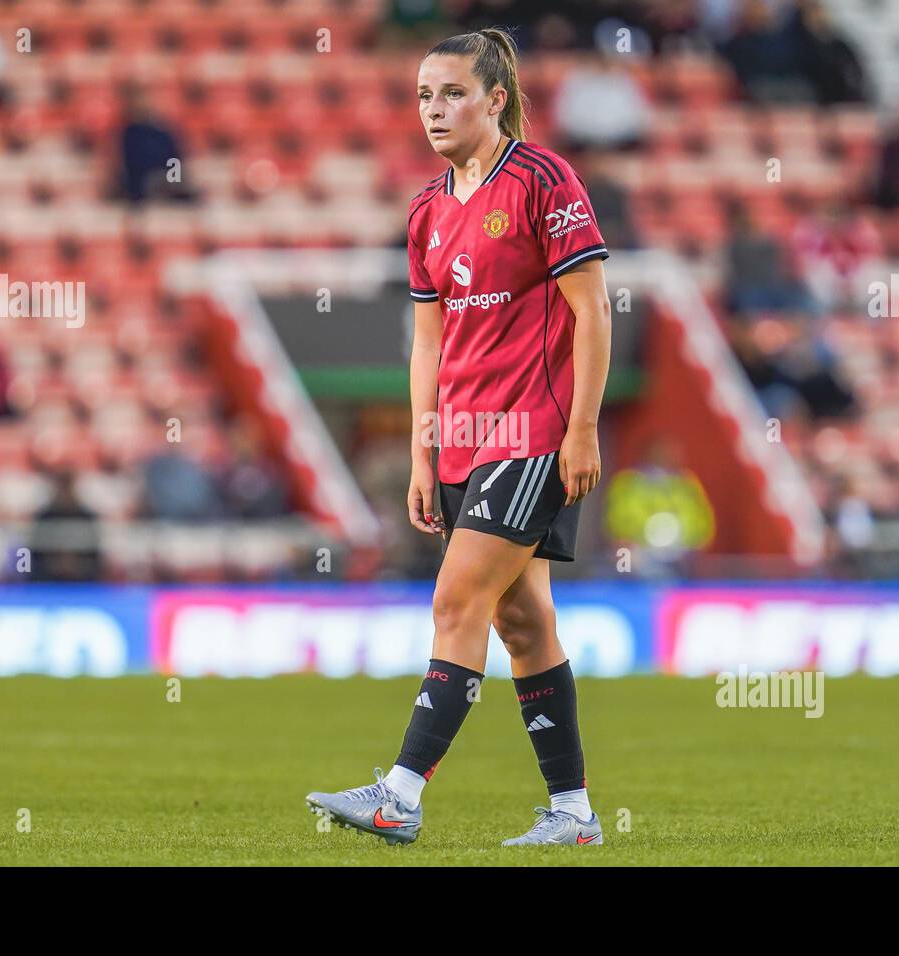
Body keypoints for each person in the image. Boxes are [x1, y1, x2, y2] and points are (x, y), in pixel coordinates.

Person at [305, 28, 612, 848]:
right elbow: (429, 344)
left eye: (452, 94)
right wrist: (421, 448)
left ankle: (399, 795)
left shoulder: (545, 181)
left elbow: (594, 310)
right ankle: (575, 815)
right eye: (423, 96)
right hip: (464, 438)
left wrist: (580, 429)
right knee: (523, 624)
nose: (434, 111)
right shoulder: (426, 211)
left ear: (495, 99)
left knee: (455, 601)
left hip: (532, 432)